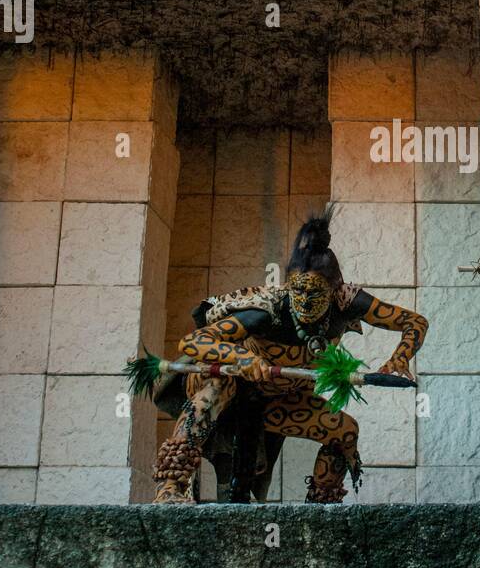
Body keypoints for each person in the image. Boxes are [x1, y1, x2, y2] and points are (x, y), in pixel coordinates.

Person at [152, 211, 427, 504]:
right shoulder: (266, 309)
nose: (305, 301)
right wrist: (241, 357)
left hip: (279, 399)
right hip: (230, 389)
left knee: (345, 432)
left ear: (334, 290)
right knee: (215, 390)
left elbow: (414, 322)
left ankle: (321, 509)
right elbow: (195, 341)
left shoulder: (348, 301)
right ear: (288, 286)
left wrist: (400, 357)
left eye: (316, 293)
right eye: (298, 291)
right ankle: (170, 488)